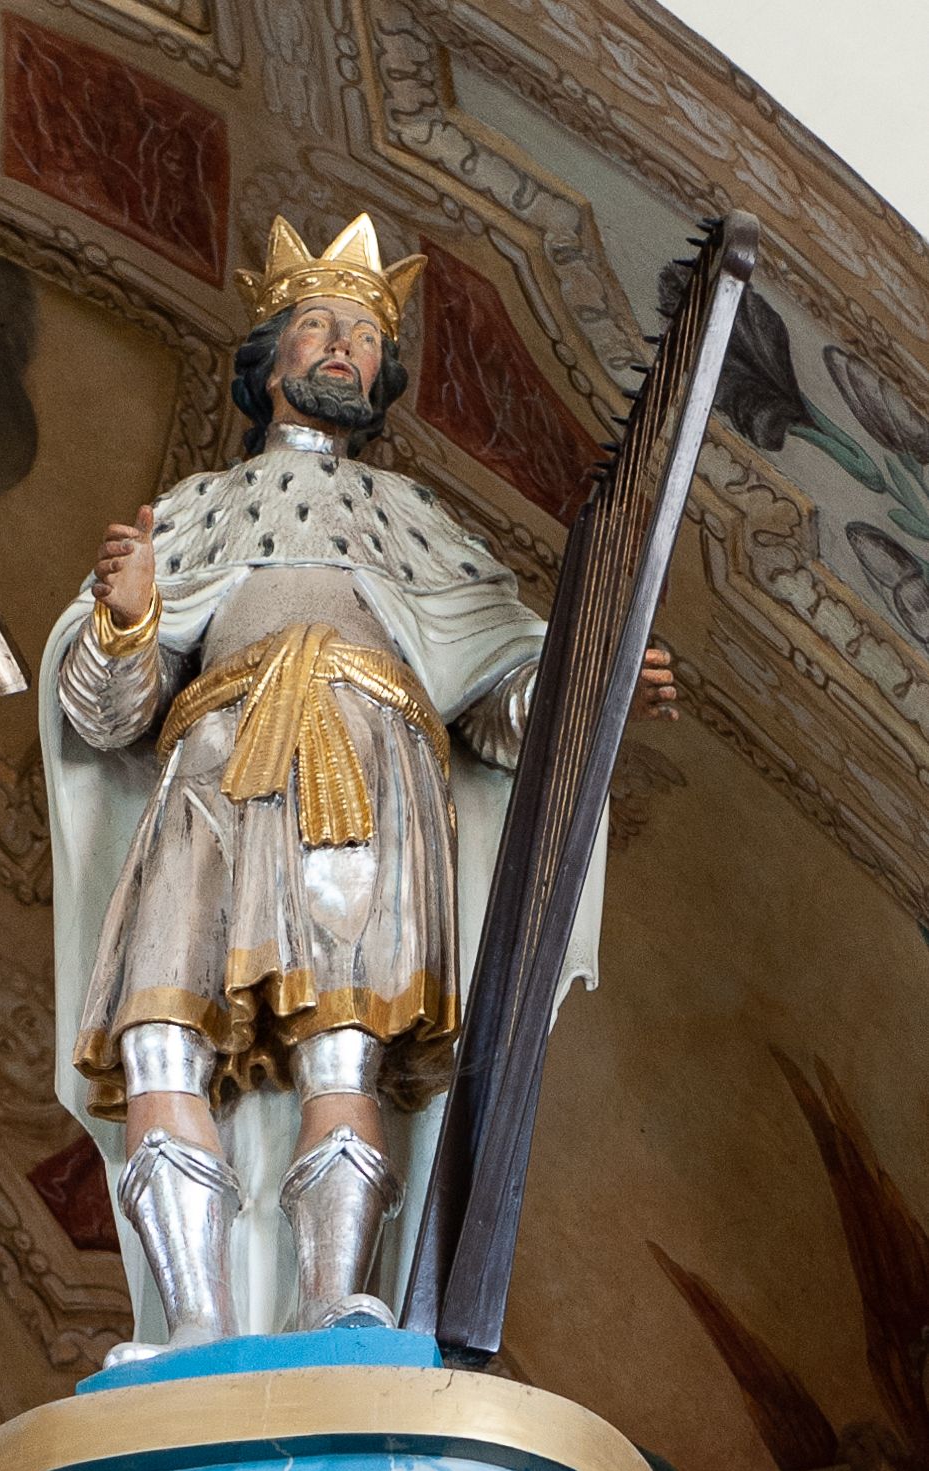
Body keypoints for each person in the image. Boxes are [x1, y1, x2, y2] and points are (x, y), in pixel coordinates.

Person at [40, 215, 676, 1355]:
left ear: (381, 375)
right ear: (270, 356)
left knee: (348, 1041)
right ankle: (193, 1324)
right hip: (216, 770)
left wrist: (586, 686)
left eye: (365, 336)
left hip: (370, 778)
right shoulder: (194, 510)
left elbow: (502, 717)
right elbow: (107, 719)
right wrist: (127, 623)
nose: (342, 346)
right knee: (160, 1034)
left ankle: (332, 1305)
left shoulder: (423, 525)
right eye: (318, 324)